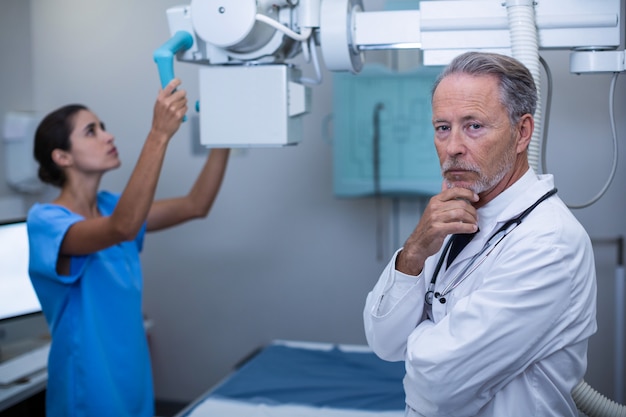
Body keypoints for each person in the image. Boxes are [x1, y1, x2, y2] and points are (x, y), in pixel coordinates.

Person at [363, 52, 597, 416]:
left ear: (522, 133)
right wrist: (414, 251)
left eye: (474, 126)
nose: (453, 147)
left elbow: (435, 383)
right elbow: (383, 341)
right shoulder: (448, 217)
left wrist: (419, 335)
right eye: (443, 127)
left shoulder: (550, 242)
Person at [26, 78, 230, 417]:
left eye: (103, 127)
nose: (109, 136)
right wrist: (159, 134)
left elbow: (197, 204)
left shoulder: (110, 206)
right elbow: (123, 227)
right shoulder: (46, 222)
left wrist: (225, 135)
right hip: (89, 391)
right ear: (62, 156)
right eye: (91, 131)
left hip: (133, 382)